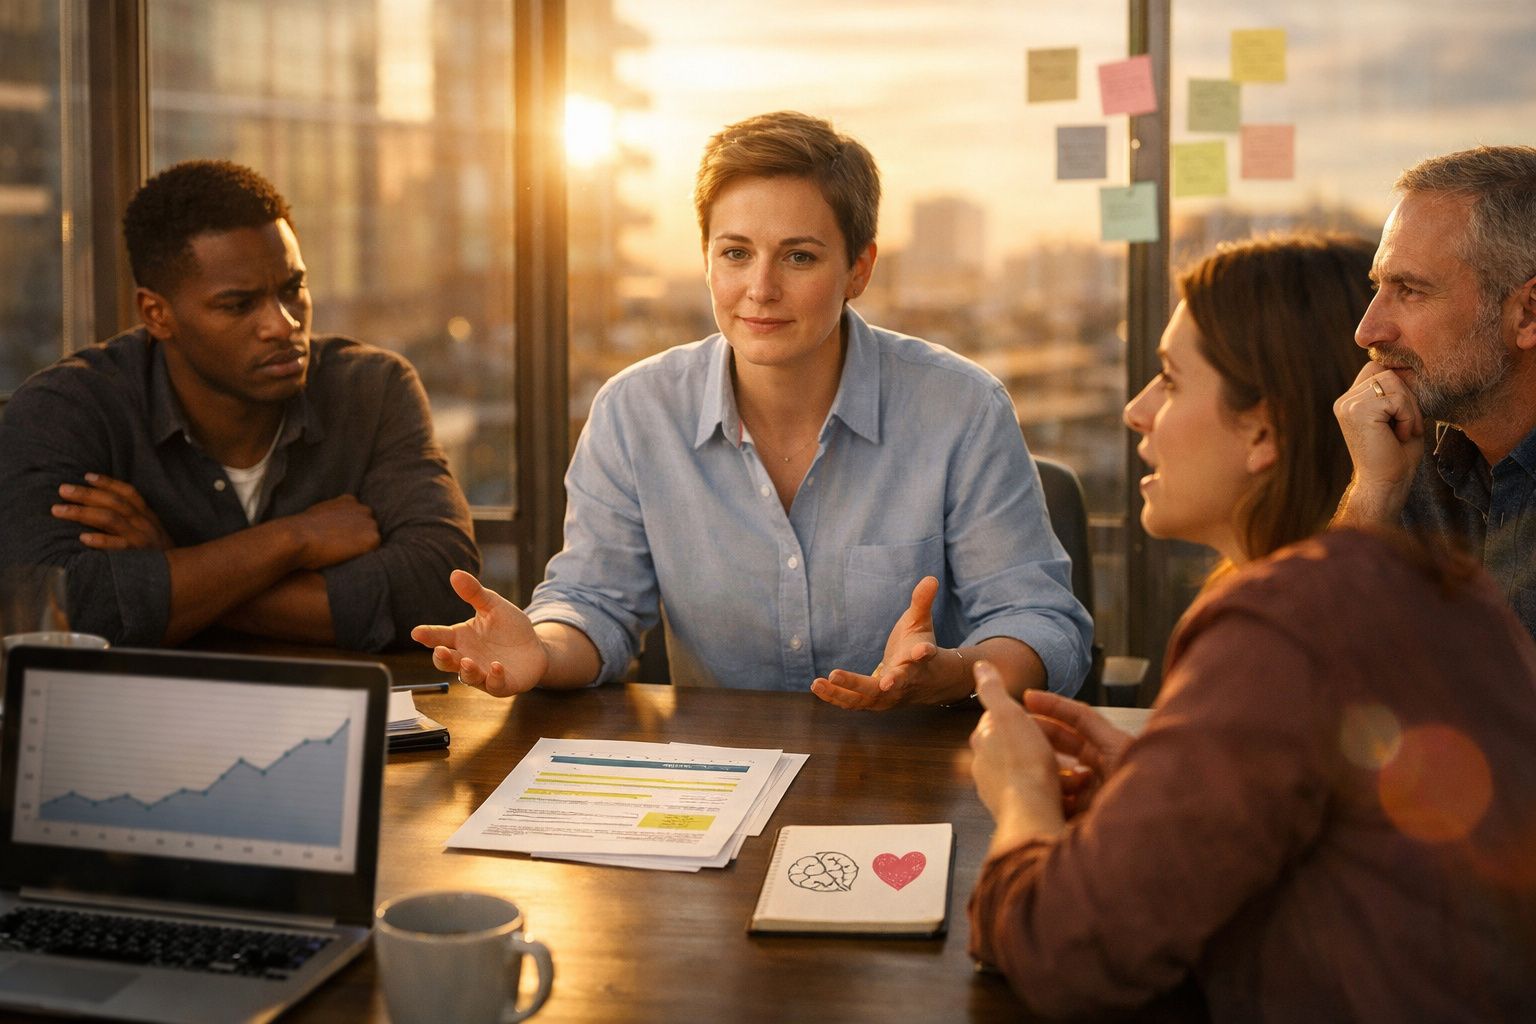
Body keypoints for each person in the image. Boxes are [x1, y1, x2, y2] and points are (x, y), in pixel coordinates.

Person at [964, 235, 1536, 1020]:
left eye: (1170, 380)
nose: (1136, 411)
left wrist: (1022, 793)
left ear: (1264, 432)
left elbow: (1061, 949)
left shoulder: (1282, 628)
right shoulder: (1448, 591)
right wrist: (1171, 781)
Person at [414, 111, 1092, 703]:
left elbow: (1040, 623)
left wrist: (950, 674)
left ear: (859, 269)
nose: (760, 288)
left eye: (799, 257)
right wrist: (541, 651)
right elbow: (595, 605)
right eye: (736, 253)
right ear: (707, 260)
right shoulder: (634, 411)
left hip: (916, 772)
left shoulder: (961, 409)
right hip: (715, 781)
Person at [0, 160, 479, 650]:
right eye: (238, 304)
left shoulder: (373, 389)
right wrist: (293, 539)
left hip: (341, 701)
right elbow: (54, 614)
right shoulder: (64, 411)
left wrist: (173, 566)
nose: (283, 325)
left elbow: (440, 592)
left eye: (293, 289)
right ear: (157, 314)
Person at [1334, 145, 1536, 637]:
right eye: (1379, 287)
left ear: (1528, 314)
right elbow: (1316, 661)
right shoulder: (1409, 456)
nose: (1367, 331)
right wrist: (1373, 494)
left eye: (1410, 290)